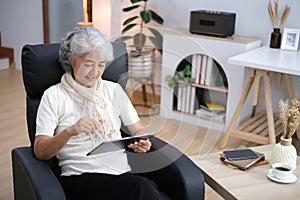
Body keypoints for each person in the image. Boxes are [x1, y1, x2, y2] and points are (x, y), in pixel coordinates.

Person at [34, 26, 165, 200]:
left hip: (121, 174)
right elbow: (40, 150)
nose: (95, 72)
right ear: (71, 59)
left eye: (101, 64)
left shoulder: (113, 91)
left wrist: (142, 141)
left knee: (146, 187)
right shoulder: (54, 95)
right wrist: (71, 130)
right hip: (80, 177)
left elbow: (138, 129)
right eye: (88, 63)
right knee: (142, 189)